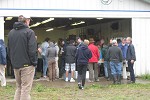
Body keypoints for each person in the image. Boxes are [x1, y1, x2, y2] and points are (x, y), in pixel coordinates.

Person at [8, 15, 37, 100]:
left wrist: (13, 61)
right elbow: (32, 50)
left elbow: (9, 50)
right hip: (27, 65)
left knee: (19, 88)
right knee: (25, 89)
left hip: (16, 65)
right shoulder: (29, 32)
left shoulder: (11, 33)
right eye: (29, 20)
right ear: (26, 20)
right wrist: (34, 62)